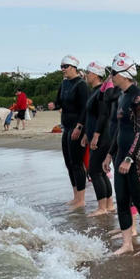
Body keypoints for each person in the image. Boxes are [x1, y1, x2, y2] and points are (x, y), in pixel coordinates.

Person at [102, 53, 140, 256]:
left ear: (124, 73)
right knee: (122, 199)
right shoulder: (122, 96)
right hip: (122, 155)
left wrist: (129, 158)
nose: (111, 77)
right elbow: (119, 131)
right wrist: (110, 155)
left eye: (113, 73)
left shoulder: (137, 96)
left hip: (137, 156)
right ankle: (127, 244)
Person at [48, 55, 89, 210]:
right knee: (68, 162)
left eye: (65, 66)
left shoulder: (81, 84)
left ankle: (81, 199)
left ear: (73, 67)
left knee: (77, 163)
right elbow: (60, 101)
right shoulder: (64, 83)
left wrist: (80, 126)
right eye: (61, 67)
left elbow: (86, 107)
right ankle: (75, 196)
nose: (63, 70)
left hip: (77, 125)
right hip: (66, 125)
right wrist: (53, 104)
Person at [82, 61, 114, 217]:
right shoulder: (94, 91)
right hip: (98, 134)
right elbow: (92, 116)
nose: (86, 75)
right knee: (100, 171)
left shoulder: (101, 92)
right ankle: (109, 204)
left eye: (88, 73)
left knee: (94, 171)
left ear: (95, 74)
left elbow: (104, 115)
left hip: (103, 135)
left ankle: (102, 208)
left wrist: (96, 135)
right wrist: (86, 135)